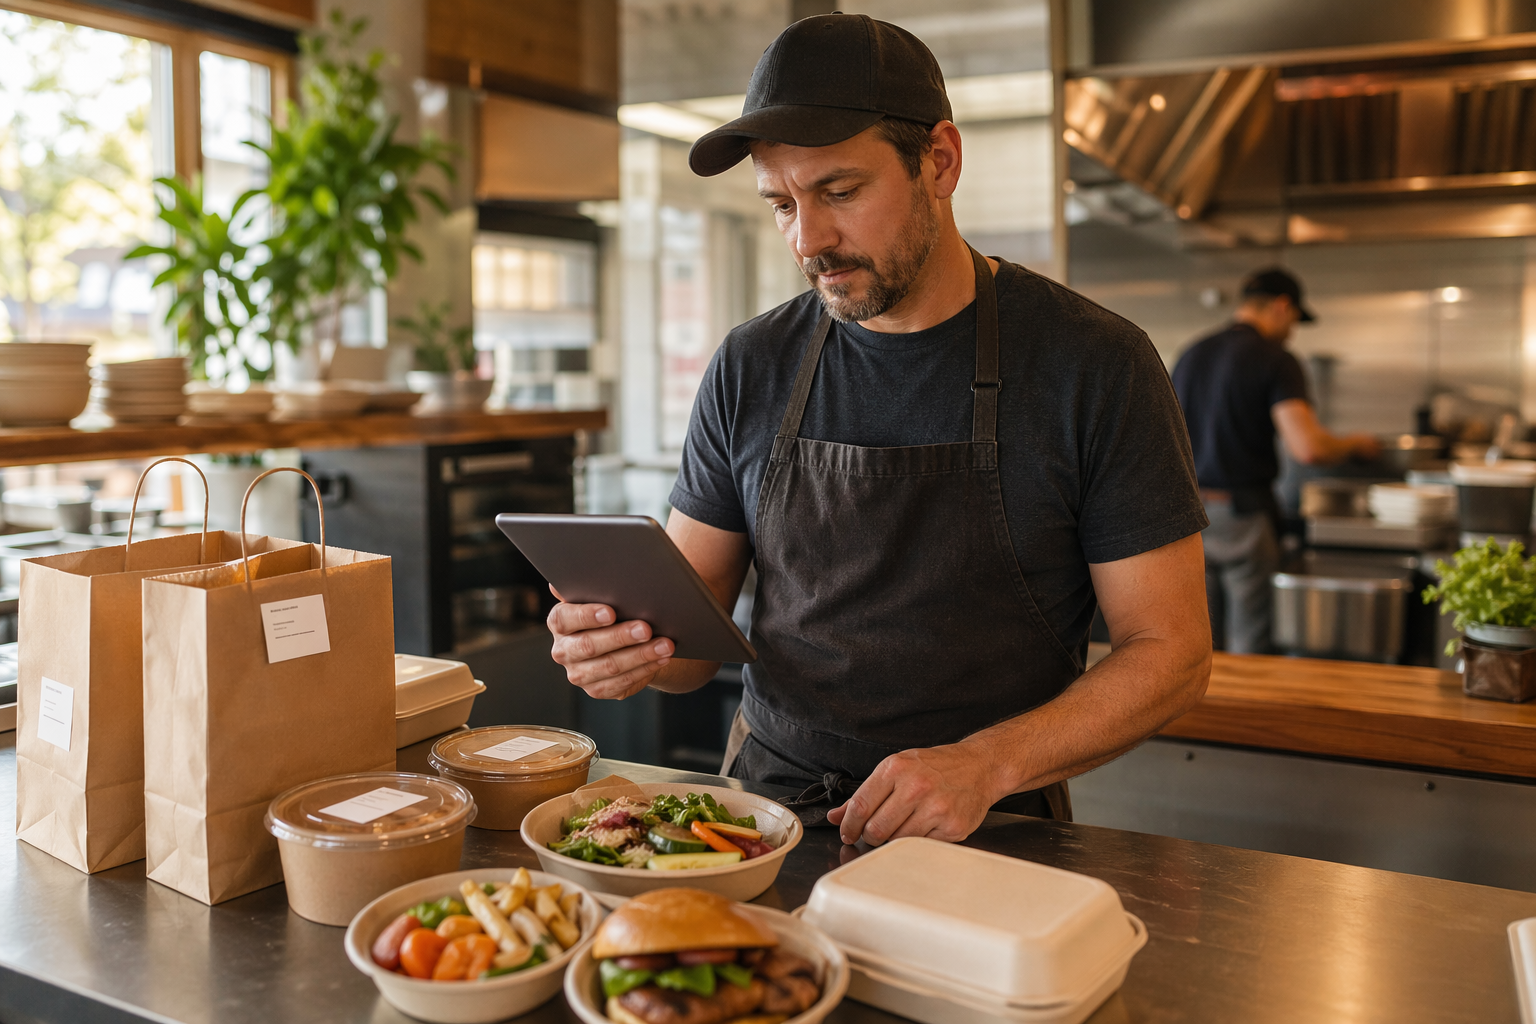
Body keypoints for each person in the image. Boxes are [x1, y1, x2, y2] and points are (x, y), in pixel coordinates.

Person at [548, 14, 1213, 846]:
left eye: (839, 191)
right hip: (761, 817)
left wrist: (987, 763)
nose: (808, 239)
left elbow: (1170, 651)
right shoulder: (751, 363)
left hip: (989, 825)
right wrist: (626, 649)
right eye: (781, 203)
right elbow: (688, 652)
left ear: (940, 161)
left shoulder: (1095, 364)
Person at [1171, 268, 1380, 654]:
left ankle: (1208, 716)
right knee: (1250, 646)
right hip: (1243, 519)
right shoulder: (1276, 360)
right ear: (1283, 307)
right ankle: (1246, 715)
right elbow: (1308, 447)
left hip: (1186, 517)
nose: (1293, 331)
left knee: (1198, 646)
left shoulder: (1191, 354)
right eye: (1296, 321)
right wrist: (1356, 444)